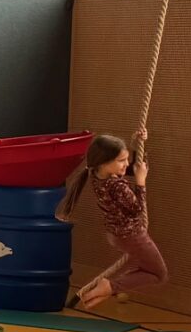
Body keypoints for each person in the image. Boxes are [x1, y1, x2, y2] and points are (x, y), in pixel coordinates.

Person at [58, 130, 165, 311]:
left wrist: (137, 144)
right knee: (158, 273)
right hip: (132, 235)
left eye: (126, 159)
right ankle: (110, 286)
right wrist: (141, 182)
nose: (126, 164)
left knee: (147, 268)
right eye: (121, 160)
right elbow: (137, 209)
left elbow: (135, 167)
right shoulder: (116, 185)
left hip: (117, 235)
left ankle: (108, 288)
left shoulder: (96, 174)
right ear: (105, 162)